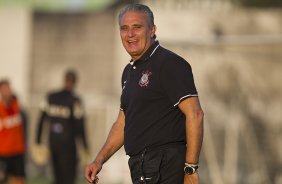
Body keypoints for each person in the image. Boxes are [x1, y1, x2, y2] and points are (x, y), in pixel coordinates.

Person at [85, 3, 204, 184]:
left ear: (152, 30)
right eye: (124, 29)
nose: (130, 34)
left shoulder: (169, 64)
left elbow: (195, 114)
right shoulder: (129, 71)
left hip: (165, 166)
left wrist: (190, 169)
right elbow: (122, 122)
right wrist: (99, 160)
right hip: (141, 166)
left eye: (137, 27)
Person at [35, 70, 89, 184]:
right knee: (68, 179)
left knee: (57, 177)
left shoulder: (51, 97)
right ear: (74, 82)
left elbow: (41, 120)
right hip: (68, 145)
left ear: (64, 80)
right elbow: (80, 126)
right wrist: (85, 146)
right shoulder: (75, 100)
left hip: (53, 143)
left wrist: (38, 141)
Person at [0, 79, 27, 184]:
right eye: (4, 89)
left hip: (17, 150)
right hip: (3, 152)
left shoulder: (16, 105)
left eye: (8, 89)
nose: (7, 92)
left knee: (19, 180)